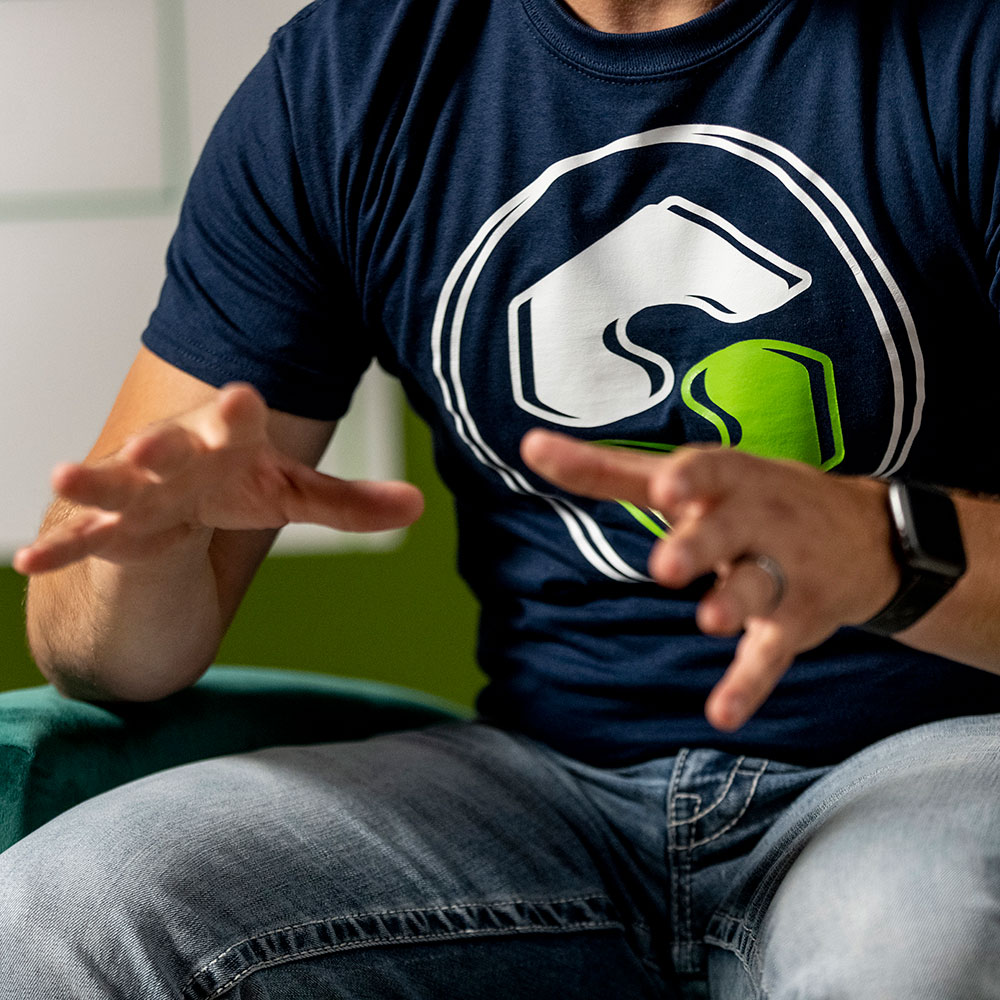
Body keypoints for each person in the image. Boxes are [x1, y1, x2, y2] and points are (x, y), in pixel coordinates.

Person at [2, 0, 999, 995]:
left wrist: (889, 545)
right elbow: (104, 656)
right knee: (63, 910)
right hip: (549, 793)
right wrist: (147, 547)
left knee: (922, 939)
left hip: (926, 761)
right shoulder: (352, 76)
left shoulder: (965, 50)